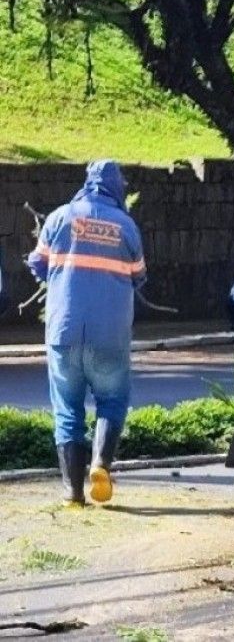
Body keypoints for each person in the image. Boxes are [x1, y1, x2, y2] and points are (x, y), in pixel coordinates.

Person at [26, 160, 146, 507]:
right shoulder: (126, 225)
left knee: (67, 409)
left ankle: (73, 492)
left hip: (63, 331)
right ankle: (100, 465)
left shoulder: (59, 217)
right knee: (112, 400)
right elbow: (139, 275)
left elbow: (37, 264)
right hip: (110, 335)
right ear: (117, 187)